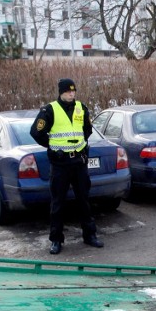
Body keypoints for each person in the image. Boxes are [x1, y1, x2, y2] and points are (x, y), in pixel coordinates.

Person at [30, 78, 104, 254]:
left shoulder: (81, 107)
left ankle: (90, 235)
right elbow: (36, 132)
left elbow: (87, 129)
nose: (72, 93)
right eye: (68, 91)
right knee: (58, 203)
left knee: (84, 201)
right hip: (60, 163)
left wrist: (81, 145)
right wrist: (52, 147)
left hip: (79, 161)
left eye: (74, 91)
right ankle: (56, 240)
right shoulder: (50, 110)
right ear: (61, 92)